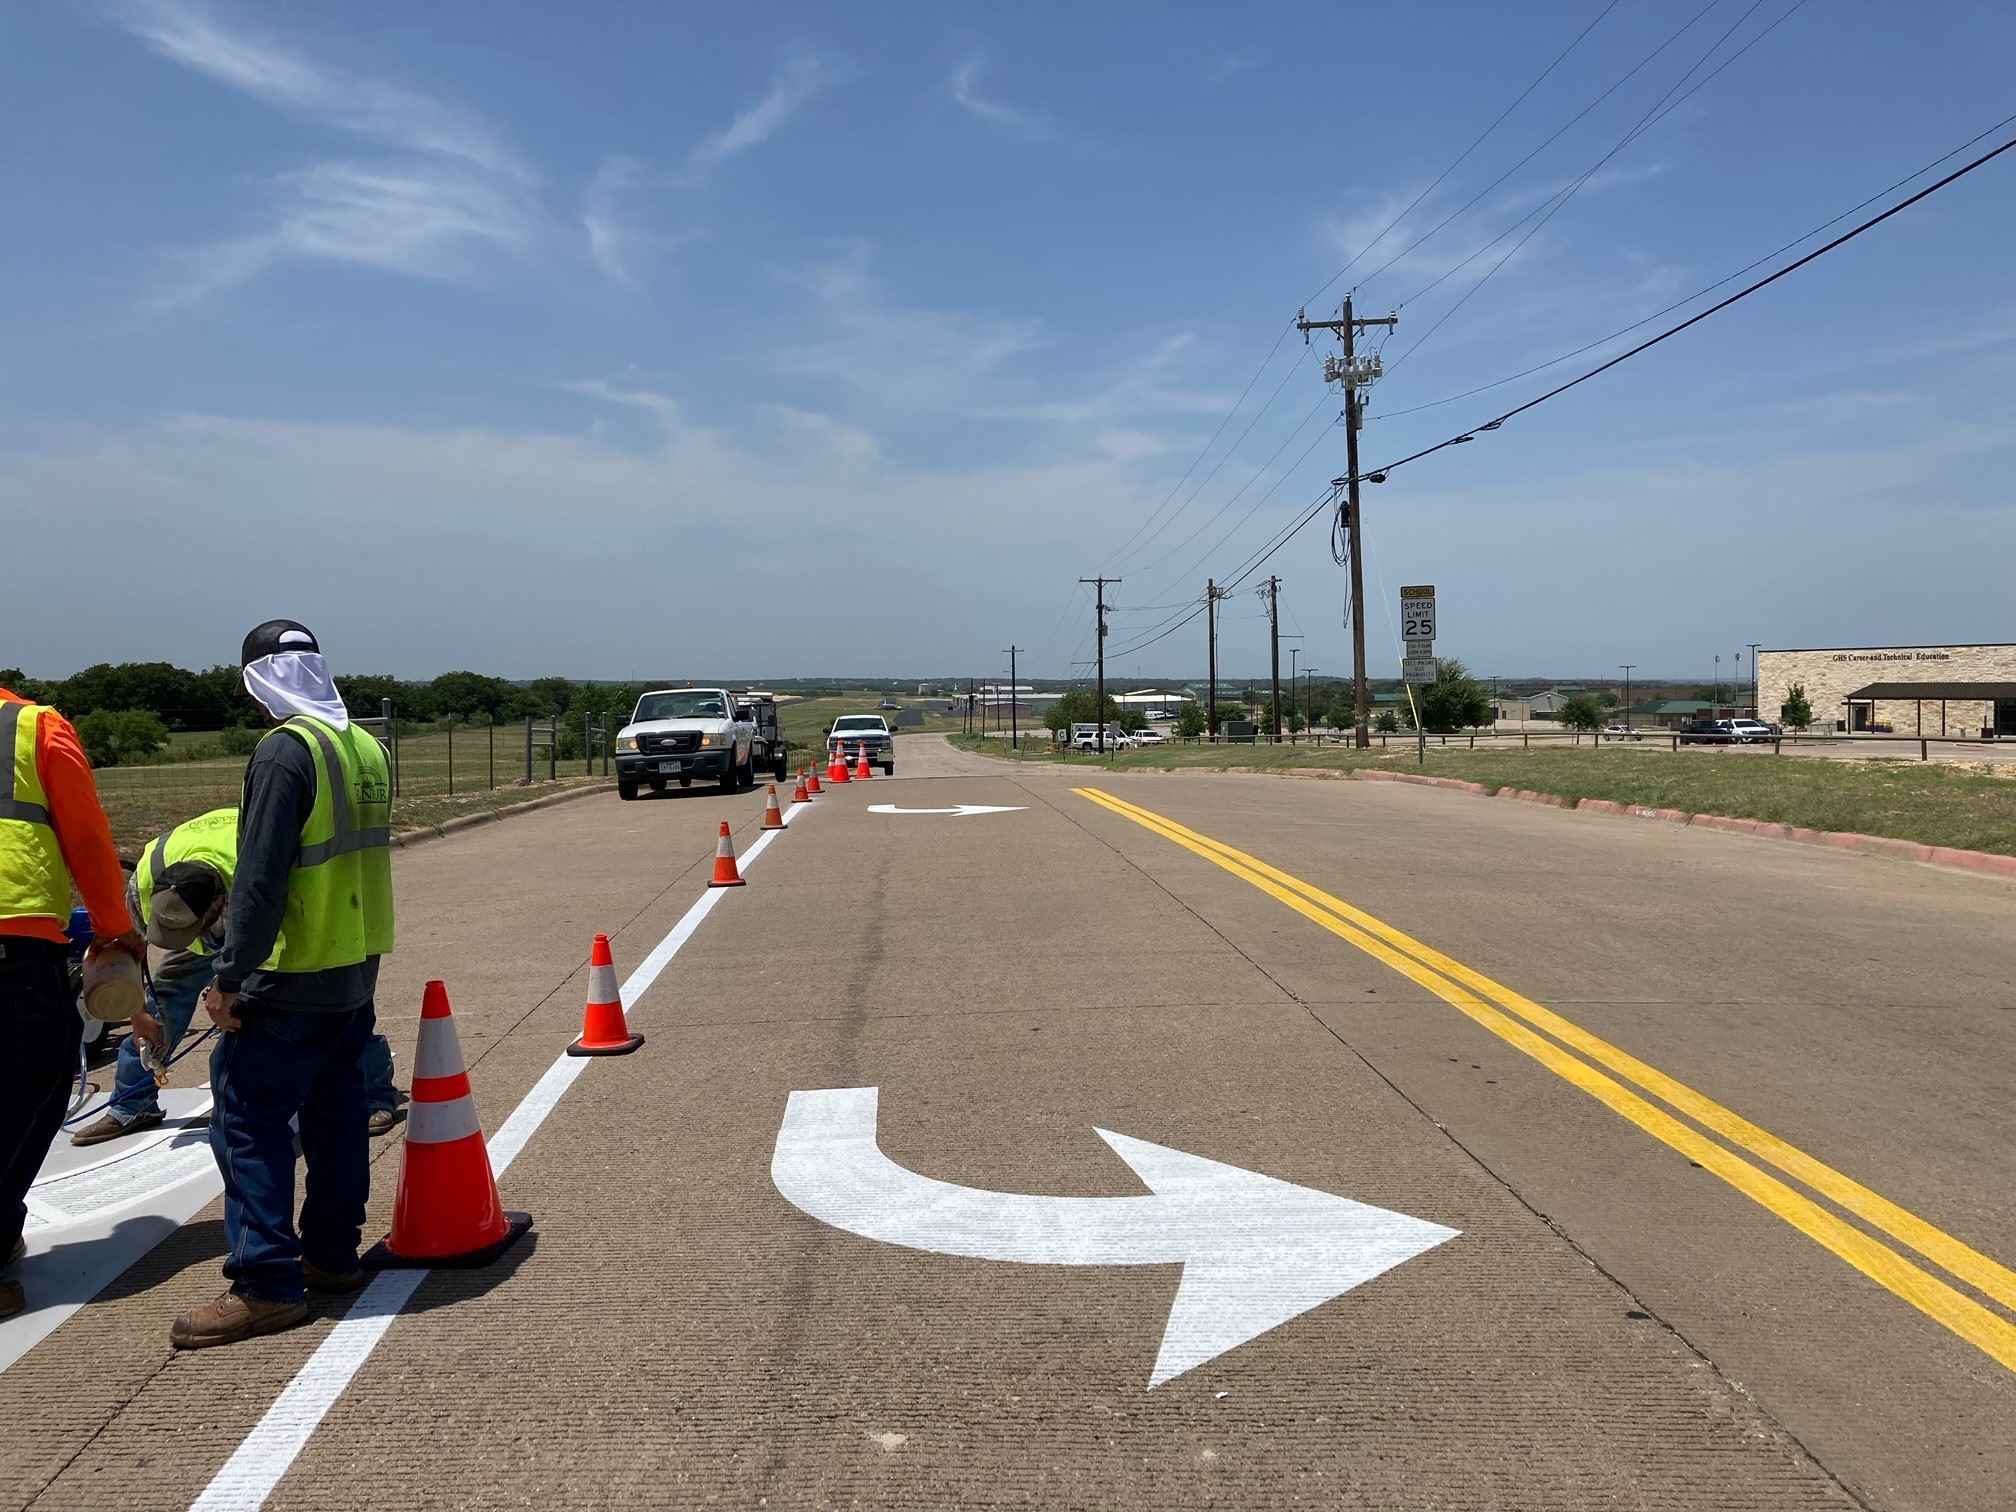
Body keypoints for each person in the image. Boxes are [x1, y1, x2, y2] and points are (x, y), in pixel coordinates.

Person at [171, 622, 394, 1349]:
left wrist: (229, 975)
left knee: (247, 1121)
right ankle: (331, 1254)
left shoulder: (283, 752)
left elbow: (262, 879)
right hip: (354, 967)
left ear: (257, 682)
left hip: (290, 974)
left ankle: (266, 1284)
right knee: (336, 1115)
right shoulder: (363, 746)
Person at [70, 808, 403, 1148]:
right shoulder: (147, 879)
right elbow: (128, 949)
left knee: (331, 1001)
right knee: (165, 997)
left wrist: (230, 984)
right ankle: (132, 1103)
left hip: (270, 919)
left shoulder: (261, 868)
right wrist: (137, 1012)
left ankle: (373, 1093)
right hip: (209, 906)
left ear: (219, 904)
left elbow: (276, 940)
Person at [1, 684, 160, 1321]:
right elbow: (89, 841)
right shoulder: (32, 728)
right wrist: (117, 927)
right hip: (13, 944)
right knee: (34, 1087)